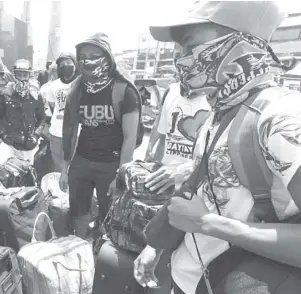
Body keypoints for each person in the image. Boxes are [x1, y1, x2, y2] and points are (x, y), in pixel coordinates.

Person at [134, 1, 301, 294]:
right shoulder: (221, 111)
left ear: (242, 42)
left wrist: (211, 225)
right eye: (178, 48)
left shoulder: (281, 117)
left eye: (191, 44)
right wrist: (158, 246)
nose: (181, 57)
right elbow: (201, 191)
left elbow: (206, 217)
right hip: (192, 287)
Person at [60, 33, 141, 239]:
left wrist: (121, 175)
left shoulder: (124, 90)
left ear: (107, 57)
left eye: (95, 54)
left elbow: (130, 138)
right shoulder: (77, 90)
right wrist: (64, 169)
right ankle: (78, 245)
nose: (88, 60)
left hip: (111, 164)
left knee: (109, 216)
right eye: (83, 55)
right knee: (78, 209)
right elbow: (68, 130)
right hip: (82, 161)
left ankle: (100, 252)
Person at [144, 82, 211, 194]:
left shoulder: (214, 97)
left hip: (194, 180)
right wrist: (150, 150)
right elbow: (162, 127)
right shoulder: (172, 90)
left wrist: (187, 171)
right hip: (165, 175)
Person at [0, 59, 46, 166]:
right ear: (14, 75)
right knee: (2, 171)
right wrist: (3, 135)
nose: (22, 78)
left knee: (31, 176)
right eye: (19, 75)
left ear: (29, 75)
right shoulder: (5, 94)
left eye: (25, 75)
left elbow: (42, 118)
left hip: (30, 144)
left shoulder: (36, 95)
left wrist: (36, 135)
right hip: (10, 143)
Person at [45, 53, 79, 172]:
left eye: (69, 63)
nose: (66, 66)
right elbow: (53, 106)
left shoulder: (81, 84)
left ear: (75, 64)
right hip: (56, 132)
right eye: (62, 64)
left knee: (74, 166)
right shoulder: (53, 86)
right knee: (58, 167)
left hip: (76, 134)